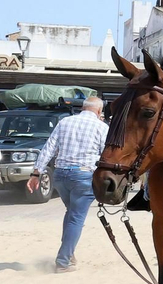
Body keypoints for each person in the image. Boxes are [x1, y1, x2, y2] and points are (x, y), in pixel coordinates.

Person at [28, 97, 108, 273]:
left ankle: (69, 253)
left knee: (71, 213)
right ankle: (63, 261)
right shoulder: (102, 127)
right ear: (99, 111)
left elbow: (49, 148)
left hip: (61, 175)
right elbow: (106, 155)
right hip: (84, 175)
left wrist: (36, 173)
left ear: (83, 108)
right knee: (76, 218)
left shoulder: (65, 122)